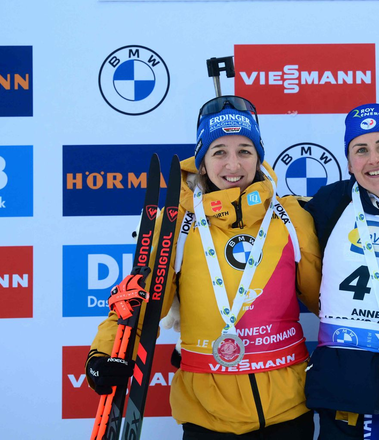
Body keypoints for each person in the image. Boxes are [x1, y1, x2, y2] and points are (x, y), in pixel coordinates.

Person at [85, 96, 321, 439]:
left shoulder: (291, 217)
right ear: (202, 160)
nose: (233, 164)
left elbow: (328, 302)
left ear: (258, 157)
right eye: (219, 152)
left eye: (244, 150)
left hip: (287, 408)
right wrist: (104, 354)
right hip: (206, 413)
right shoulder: (176, 225)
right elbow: (141, 301)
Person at [302, 103, 379, 440]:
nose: (374, 159)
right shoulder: (330, 203)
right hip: (344, 389)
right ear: (349, 163)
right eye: (361, 150)